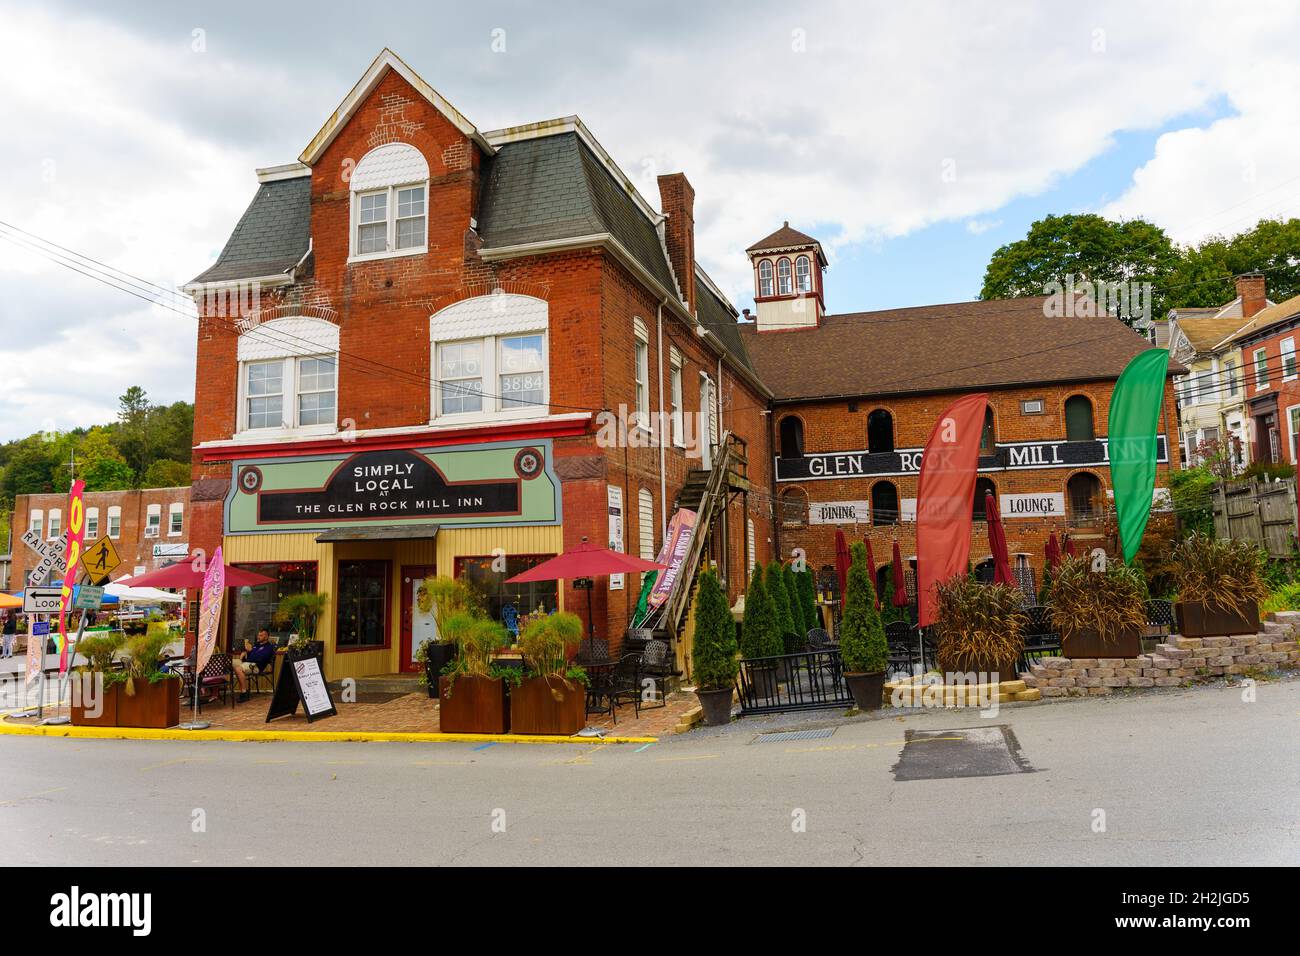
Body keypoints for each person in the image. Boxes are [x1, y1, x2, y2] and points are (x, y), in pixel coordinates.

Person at [232, 628, 276, 702]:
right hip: (247, 663)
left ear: (266, 637)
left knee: (238, 669)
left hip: (256, 666)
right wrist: (245, 653)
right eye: (258, 635)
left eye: (261, 635)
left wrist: (251, 651)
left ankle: (244, 693)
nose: (258, 637)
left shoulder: (269, 647)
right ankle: (216, 691)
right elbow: (249, 657)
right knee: (228, 662)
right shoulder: (256, 645)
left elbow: (261, 659)